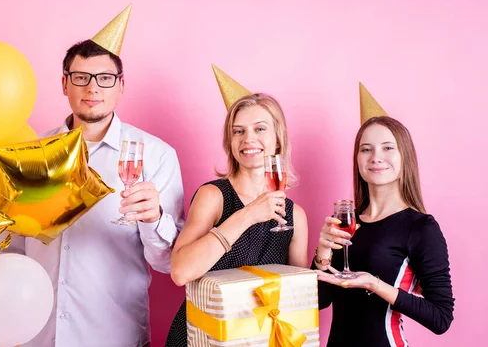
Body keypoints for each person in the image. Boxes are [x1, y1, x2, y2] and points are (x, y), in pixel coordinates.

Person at [0, 5, 185, 347]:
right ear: (64, 83)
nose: (92, 88)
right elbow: (9, 251)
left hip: (113, 336)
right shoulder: (32, 157)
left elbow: (167, 263)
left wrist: (154, 218)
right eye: (80, 77)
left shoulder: (157, 156)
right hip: (34, 336)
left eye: (104, 78)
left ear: (121, 86)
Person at [165, 66, 309, 346]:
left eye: (260, 129)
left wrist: (325, 255)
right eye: (238, 131)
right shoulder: (213, 196)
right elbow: (180, 272)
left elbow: (297, 295)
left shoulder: (296, 216)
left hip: (257, 339)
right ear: (229, 142)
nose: (248, 139)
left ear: (277, 139)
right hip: (202, 335)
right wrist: (247, 215)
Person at [313, 110, 455, 346]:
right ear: (357, 159)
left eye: (388, 148)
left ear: (404, 156)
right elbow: (319, 301)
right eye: (366, 149)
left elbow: (441, 317)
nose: (375, 157)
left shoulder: (421, 227)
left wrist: (374, 284)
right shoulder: (344, 224)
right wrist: (322, 253)